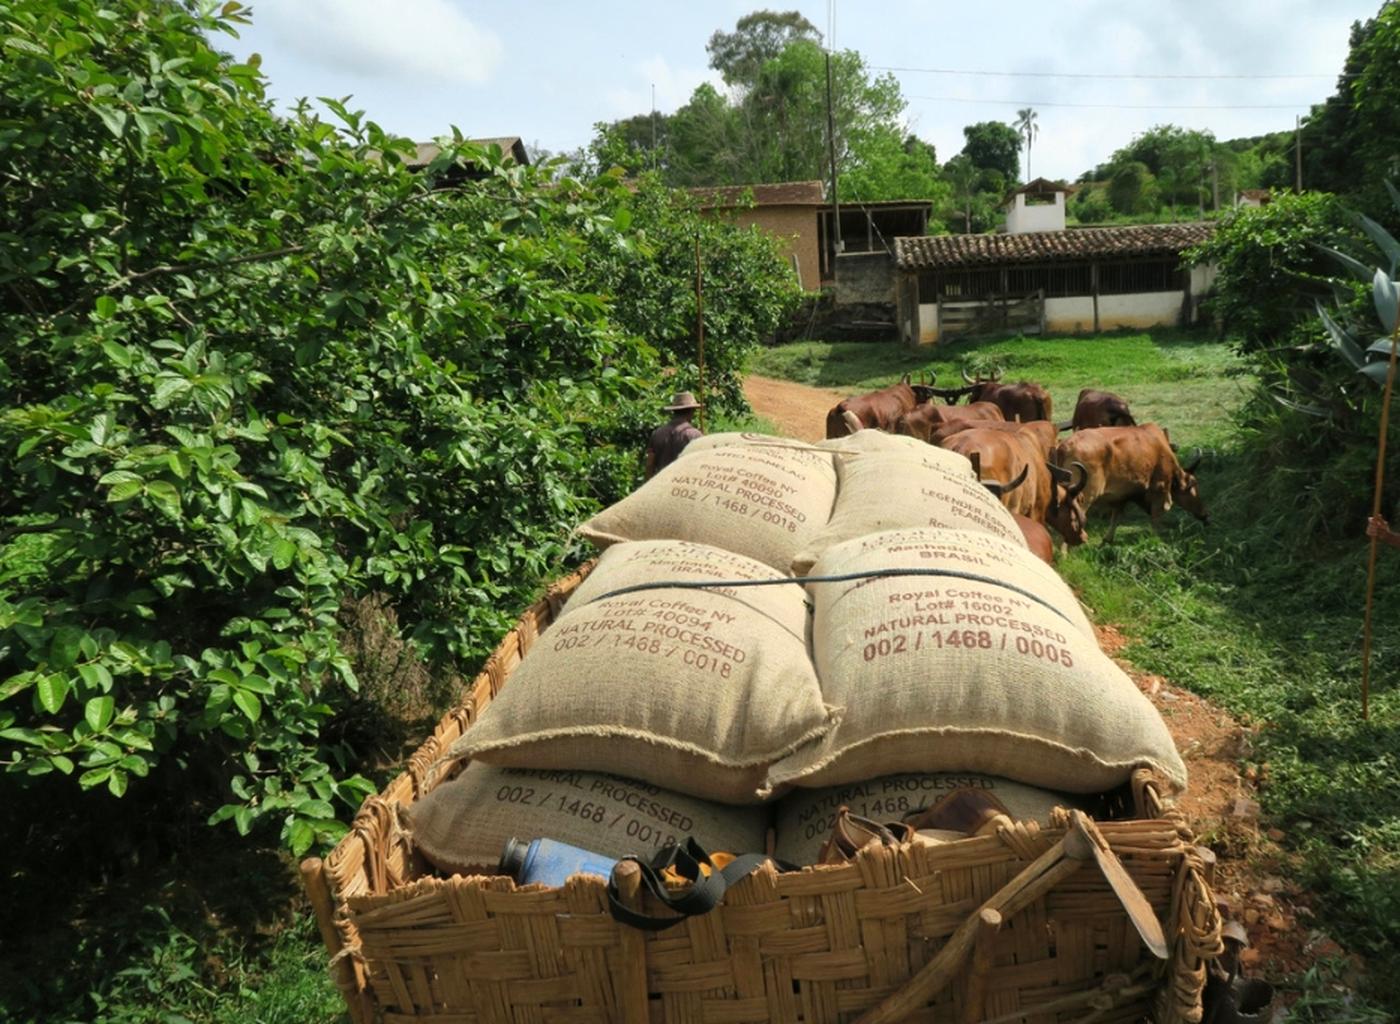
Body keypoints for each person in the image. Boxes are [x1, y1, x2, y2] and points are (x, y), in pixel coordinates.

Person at [645, 391, 704, 480]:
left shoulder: (657, 433)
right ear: (691, 411)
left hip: (662, 483)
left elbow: (650, 465)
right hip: (684, 485)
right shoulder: (695, 435)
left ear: (674, 411)